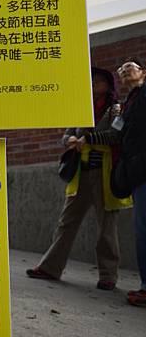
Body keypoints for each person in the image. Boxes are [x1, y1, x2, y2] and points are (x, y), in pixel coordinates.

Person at [26, 67, 131, 289]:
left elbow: (116, 135)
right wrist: (70, 140)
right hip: (80, 173)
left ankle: (108, 276)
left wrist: (89, 139)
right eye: (92, 81)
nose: (94, 84)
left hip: (104, 173)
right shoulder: (82, 108)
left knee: (107, 226)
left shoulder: (116, 109)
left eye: (99, 81)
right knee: (67, 221)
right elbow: (65, 135)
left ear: (108, 85)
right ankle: (50, 267)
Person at [85, 58, 146, 306]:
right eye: (121, 70)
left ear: (143, 72)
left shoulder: (137, 98)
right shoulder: (127, 104)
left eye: (130, 67)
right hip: (135, 173)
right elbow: (117, 133)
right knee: (142, 230)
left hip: (139, 169)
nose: (124, 71)